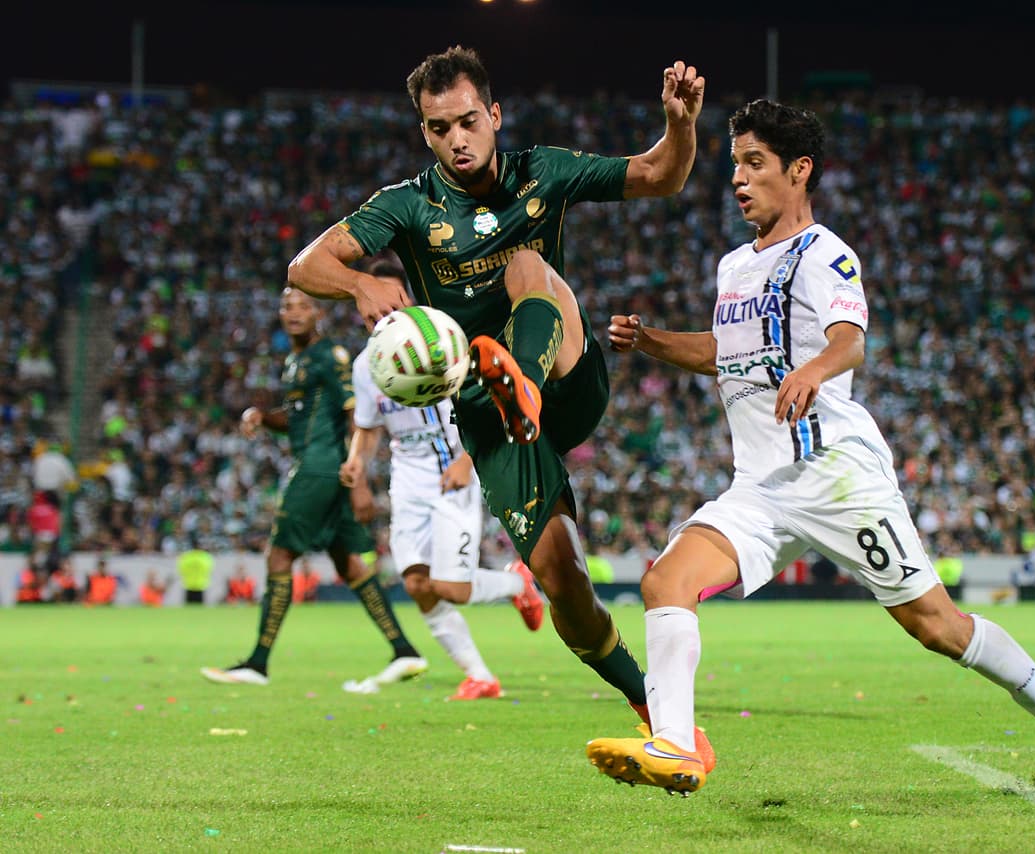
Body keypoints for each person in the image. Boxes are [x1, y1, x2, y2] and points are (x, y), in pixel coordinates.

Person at [587, 99, 1035, 820]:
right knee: (664, 582)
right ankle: (677, 745)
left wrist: (814, 371)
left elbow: (850, 339)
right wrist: (651, 340)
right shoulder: (733, 266)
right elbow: (726, 353)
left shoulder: (825, 254)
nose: (738, 179)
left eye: (754, 163)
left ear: (798, 170)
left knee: (939, 627)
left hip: (836, 475)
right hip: (760, 487)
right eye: (735, 164)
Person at [287, 46, 707, 739]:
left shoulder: (543, 171)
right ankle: (654, 709)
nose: (457, 138)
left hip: (563, 375)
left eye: (468, 121)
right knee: (566, 586)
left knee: (528, 263)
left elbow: (660, 175)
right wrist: (361, 283)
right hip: (487, 416)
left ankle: (523, 384)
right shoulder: (408, 205)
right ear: (424, 132)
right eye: (439, 127)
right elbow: (305, 265)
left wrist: (681, 125)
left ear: (495, 116)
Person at [200, 287, 426, 687]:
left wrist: (358, 476)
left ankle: (257, 663)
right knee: (348, 563)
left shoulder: (329, 356)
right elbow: (298, 417)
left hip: (319, 468)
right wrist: (262, 417)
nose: (294, 312)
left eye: (303, 306)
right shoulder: (296, 361)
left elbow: (355, 414)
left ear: (318, 313)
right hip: (324, 468)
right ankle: (404, 650)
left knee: (279, 556)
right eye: (287, 306)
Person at [339, 260, 544, 699]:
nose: (382, 310)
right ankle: (480, 676)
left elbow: (491, 405)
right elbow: (368, 427)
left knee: (452, 587)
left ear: (408, 299)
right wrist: (357, 464)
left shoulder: (446, 341)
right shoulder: (365, 365)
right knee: (417, 583)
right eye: (373, 302)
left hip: (453, 474)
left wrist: (468, 460)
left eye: (392, 299)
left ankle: (516, 583)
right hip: (407, 481)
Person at [176, 539, 213, 605]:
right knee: (199, 607)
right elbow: (209, 569)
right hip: (200, 585)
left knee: (189, 607)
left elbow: (181, 569)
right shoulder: (205, 557)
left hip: (189, 584)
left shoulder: (186, 556)